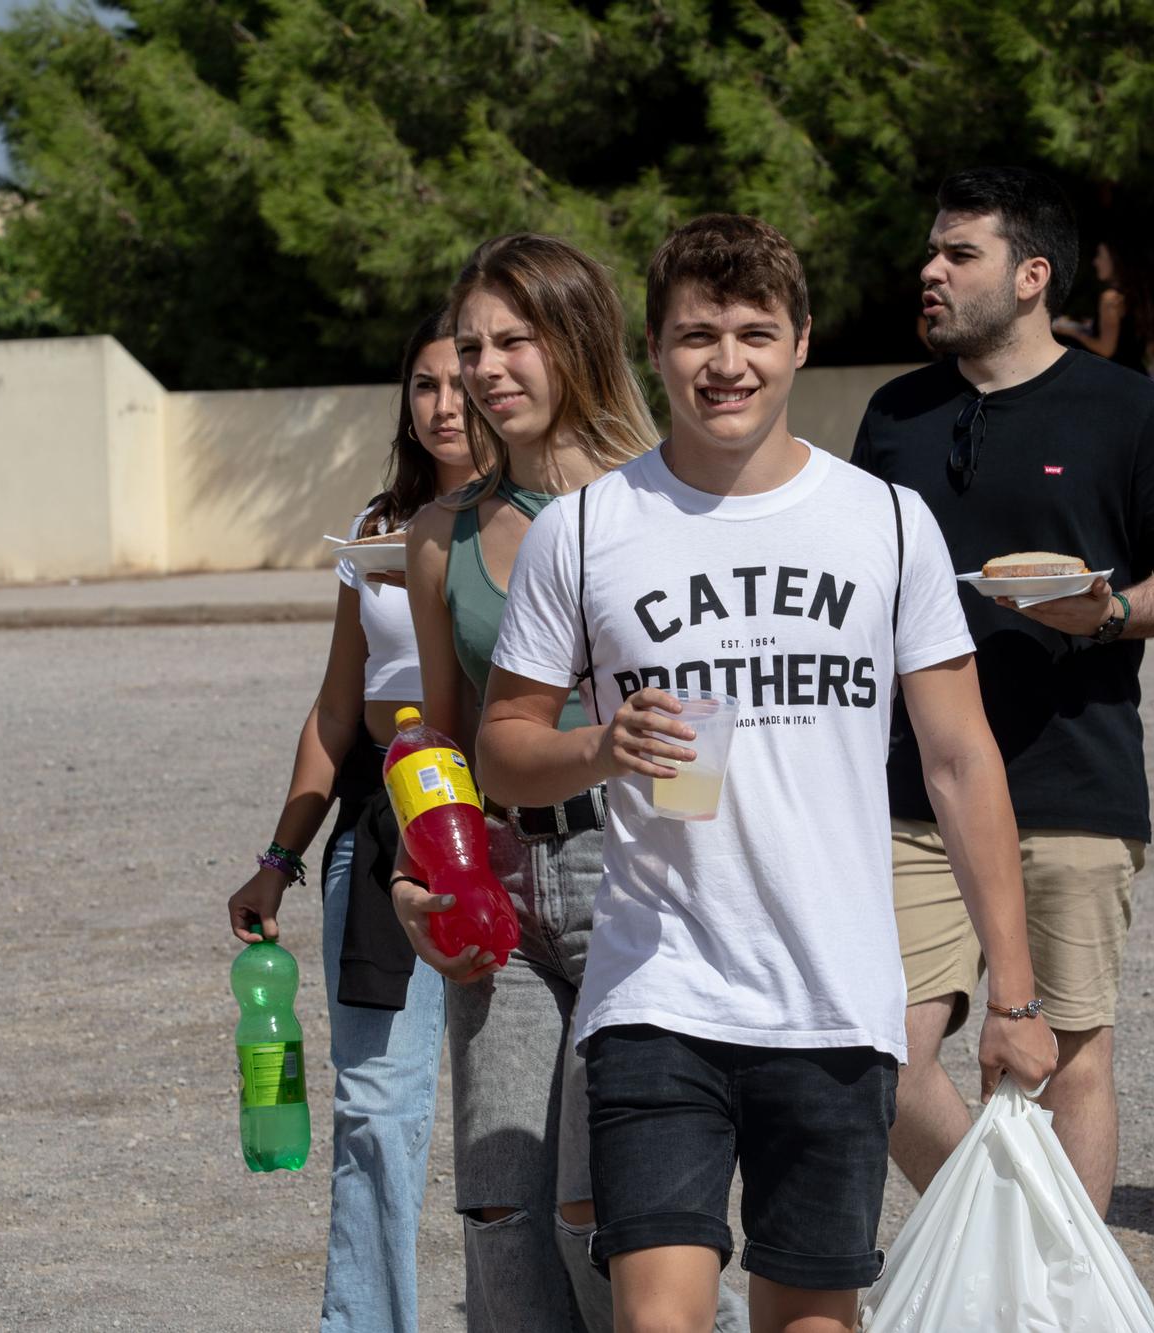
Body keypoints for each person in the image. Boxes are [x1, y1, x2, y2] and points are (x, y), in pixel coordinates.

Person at [476, 213, 1057, 1333]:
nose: (725, 362)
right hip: (657, 991)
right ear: (653, 349)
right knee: (655, 1319)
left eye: (753, 332)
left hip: (835, 1002)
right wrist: (599, 745)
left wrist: (1015, 995)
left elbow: (958, 758)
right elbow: (503, 746)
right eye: (697, 335)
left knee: (810, 1319)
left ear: (800, 343)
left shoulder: (885, 523)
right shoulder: (587, 533)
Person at [851, 166, 1154, 1218]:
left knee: (1065, 1056)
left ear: (1030, 276)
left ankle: (1063, 1301)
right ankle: (1021, 1236)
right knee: (880, 1054)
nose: (928, 271)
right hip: (912, 789)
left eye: (956, 254)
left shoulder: (1122, 406)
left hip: (1071, 777)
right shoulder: (893, 414)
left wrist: (1106, 615)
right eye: (930, 251)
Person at [392, 234, 744, 1332]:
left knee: (614, 1221)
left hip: (634, 872)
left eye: (513, 340)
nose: (485, 370)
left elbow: (719, 721)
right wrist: (419, 886)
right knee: (499, 1216)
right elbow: (437, 747)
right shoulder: (440, 534)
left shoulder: (674, 509)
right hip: (495, 876)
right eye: (467, 347)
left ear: (578, 339)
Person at [224, 310, 477, 1332]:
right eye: (424, 386)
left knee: (554, 1110)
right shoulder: (375, 525)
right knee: (375, 1107)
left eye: (464, 380)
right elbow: (336, 709)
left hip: (505, 806)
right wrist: (278, 858)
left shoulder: (557, 513)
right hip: (382, 820)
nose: (446, 404)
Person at [1053, 239, 1154, 373]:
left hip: (1120, 378)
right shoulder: (1135, 294)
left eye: (1100, 256)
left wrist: (1073, 332)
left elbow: (1106, 349)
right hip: (1139, 374)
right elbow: (1124, 334)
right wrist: (1079, 324)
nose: (1096, 262)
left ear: (1115, 260)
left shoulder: (1110, 299)